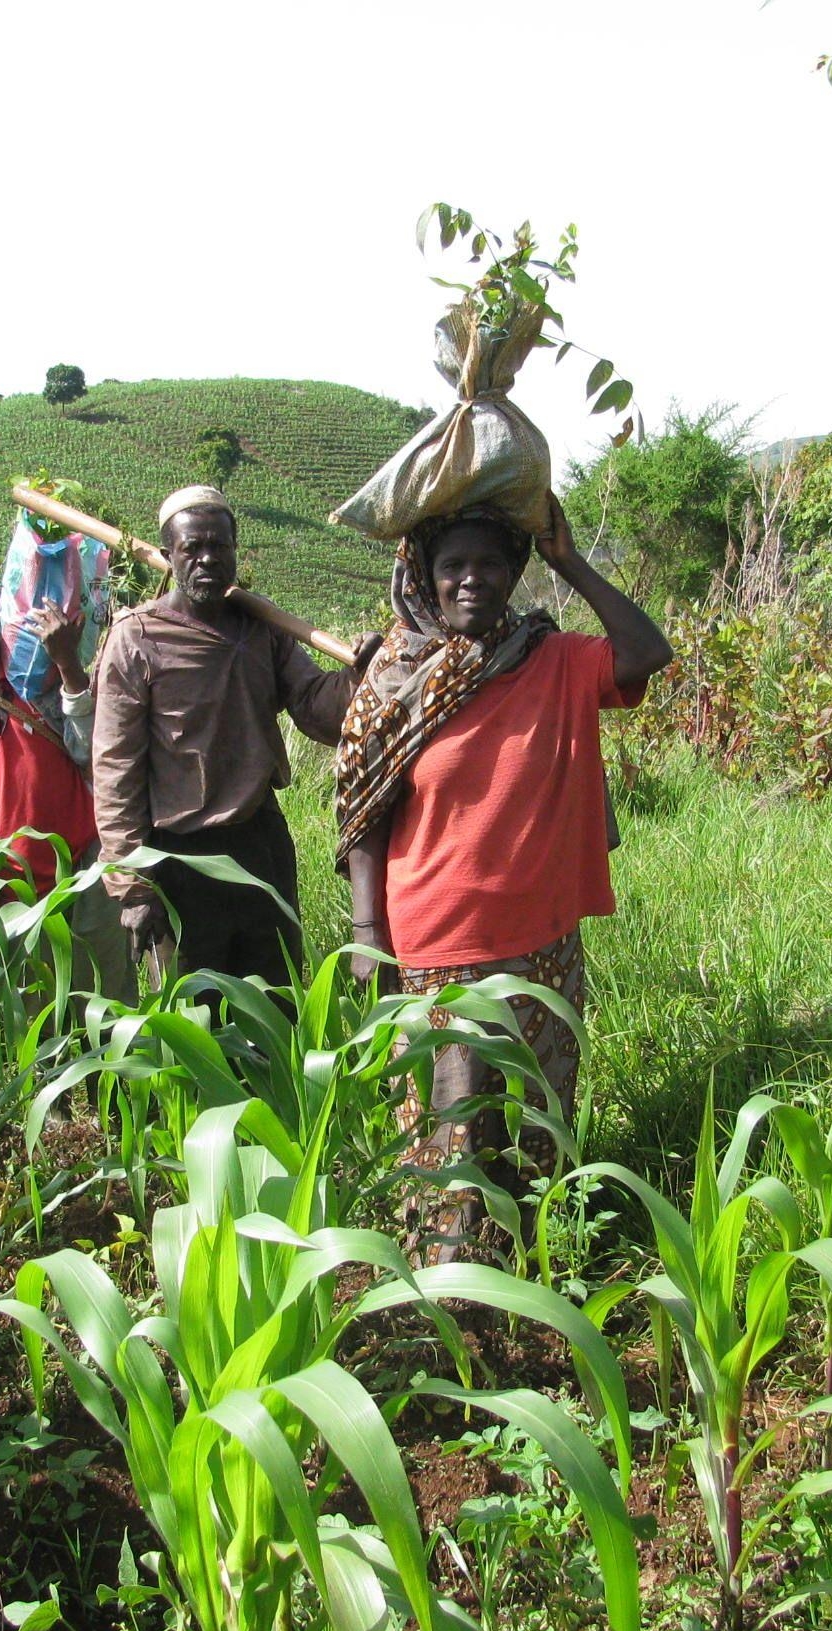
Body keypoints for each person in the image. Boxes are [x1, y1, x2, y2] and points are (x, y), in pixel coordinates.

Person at [336, 500, 670, 1263]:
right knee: (449, 1137)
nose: (471, 581)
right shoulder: (395, 677)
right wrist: (367, 934)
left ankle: (537, 1276)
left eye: (490, 563)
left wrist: (570, 562)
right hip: (436, 945)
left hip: (544, 942)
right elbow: (363, 814)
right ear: (426, 575)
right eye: (453, 565)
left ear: (516, 572)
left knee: (540, 1127)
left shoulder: (550, 659)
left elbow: (648, 652)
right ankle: (442, 1301)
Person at [91, 485, 362, 984]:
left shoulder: (262, 629)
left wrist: (357, 678)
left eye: (219, 546)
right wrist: (133, 887)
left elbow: (316, 711)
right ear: (169, 555)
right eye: (192, 548)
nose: (207, 559)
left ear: (237, 550)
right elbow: (115, 770)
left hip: (259, 845)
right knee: (201, 1024)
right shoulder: (138, 639)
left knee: (277, 1004)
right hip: (179, 856)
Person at [0, 580, 135, 997]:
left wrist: (68, 665)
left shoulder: (37, 680)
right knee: (40, 1021)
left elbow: (94, 753)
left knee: (107, 1003)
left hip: (89, 871)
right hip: (13, 896)